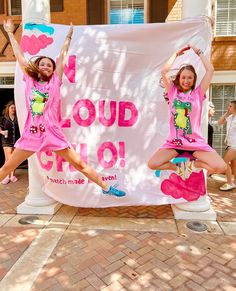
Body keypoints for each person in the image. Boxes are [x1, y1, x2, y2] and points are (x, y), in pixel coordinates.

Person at [0, 18, 126, 197]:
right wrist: (11, 33)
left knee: (80, 164)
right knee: (7, 166)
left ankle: (106, 188)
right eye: (42, 64)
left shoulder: (54, 83)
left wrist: (68, 37)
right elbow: (20, 57)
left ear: (53, 70)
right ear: (37, 67)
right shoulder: (30, 81)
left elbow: (62, 58)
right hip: (32, 134)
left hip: (53, 134)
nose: (46, 66)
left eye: (49, 65)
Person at [148, 45, 227, 178]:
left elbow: (210, 70)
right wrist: (175, 54)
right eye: (183, 77)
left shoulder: (198, 93)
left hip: (195, 143)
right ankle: (179, 168)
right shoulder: (172, 92)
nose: (186, 81)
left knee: (221, 167)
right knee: (152, 164)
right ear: (179, 78)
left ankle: (193, 165)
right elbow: (164, 72)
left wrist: (199, 52)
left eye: (189, 78)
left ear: (194, 79)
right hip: (176, 142)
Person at [0, 101, 20, 184]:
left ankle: (12, 175)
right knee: (9, 159)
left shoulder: (17, 118)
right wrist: (1, 132)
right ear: (8, 108)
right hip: (6, 141)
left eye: (14, 108)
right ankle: (6, 176)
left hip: (16, 141)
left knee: (14, 159)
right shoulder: (3, 118)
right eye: (12, 107)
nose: (13, 109)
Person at [218, 101, 236, 191]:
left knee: (225, 162)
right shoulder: (230, 117)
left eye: (230, 106)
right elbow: (220, 122)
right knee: (234, 164)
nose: (228, 107)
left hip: (235, 145)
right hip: (230, 144)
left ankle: (229, 183)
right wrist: (226, 113)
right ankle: (234, 182)